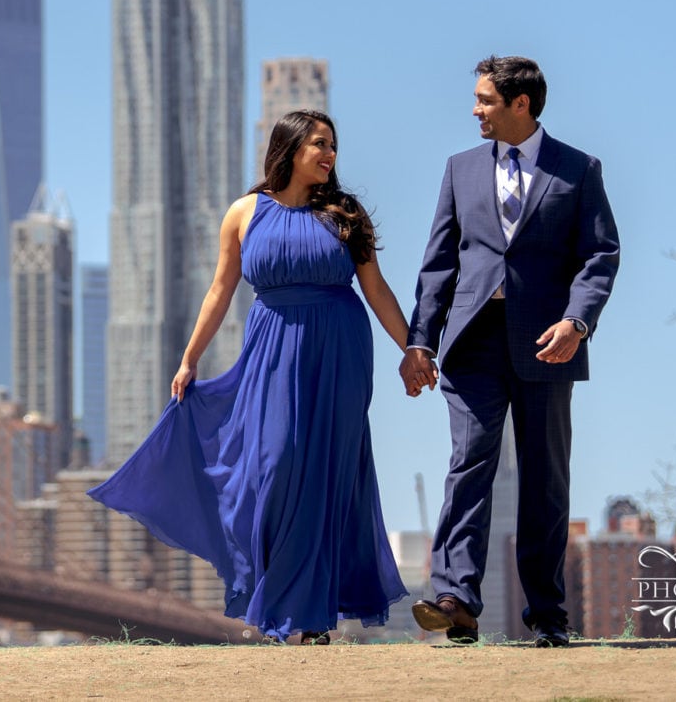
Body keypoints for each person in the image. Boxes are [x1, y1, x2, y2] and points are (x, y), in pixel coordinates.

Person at [90, 109, 419, 644]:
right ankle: (277, 596)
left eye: (333, 145)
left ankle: (307, 619)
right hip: (271, 348)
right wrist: (189, 357)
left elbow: (375, 288)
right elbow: (221, 290)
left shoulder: (345, 213)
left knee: (325, 476)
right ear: (289, 149)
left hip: (339, 349)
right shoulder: (245, 212)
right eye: (319, 143)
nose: (329, 154)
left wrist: (412, 348)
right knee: (276, 464)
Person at [401, 56, 619, 648]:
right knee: (468, 463)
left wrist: (577, 322)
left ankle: (548, 614)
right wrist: (420, 339)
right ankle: (456, 599)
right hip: (472, 342)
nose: (475, 109)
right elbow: (439, 263)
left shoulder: (579, 169)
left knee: (545, 479)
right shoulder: (460, 169)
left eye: (484, 100)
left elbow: (600, 256)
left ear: (520, 104)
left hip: (549, 343)